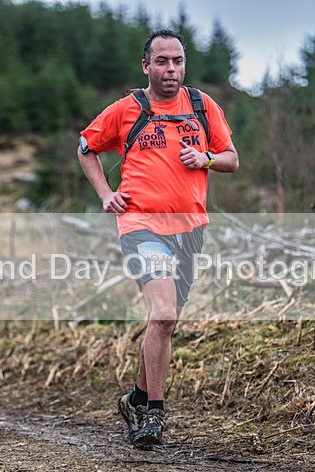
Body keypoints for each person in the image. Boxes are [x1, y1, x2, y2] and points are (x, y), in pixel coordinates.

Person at [77, 29, 239, 450]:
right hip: (141, 226)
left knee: (164, 324)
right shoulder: (127, 109)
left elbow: (232, 158)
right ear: (146, 65)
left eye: (177, 61)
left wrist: (205, 158)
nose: (171, 69)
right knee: (164, 315)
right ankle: (155, 413)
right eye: (162, 61)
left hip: (190, 229)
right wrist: (106, 194)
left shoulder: (202, 106)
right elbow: (86, 147)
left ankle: (135, 400)